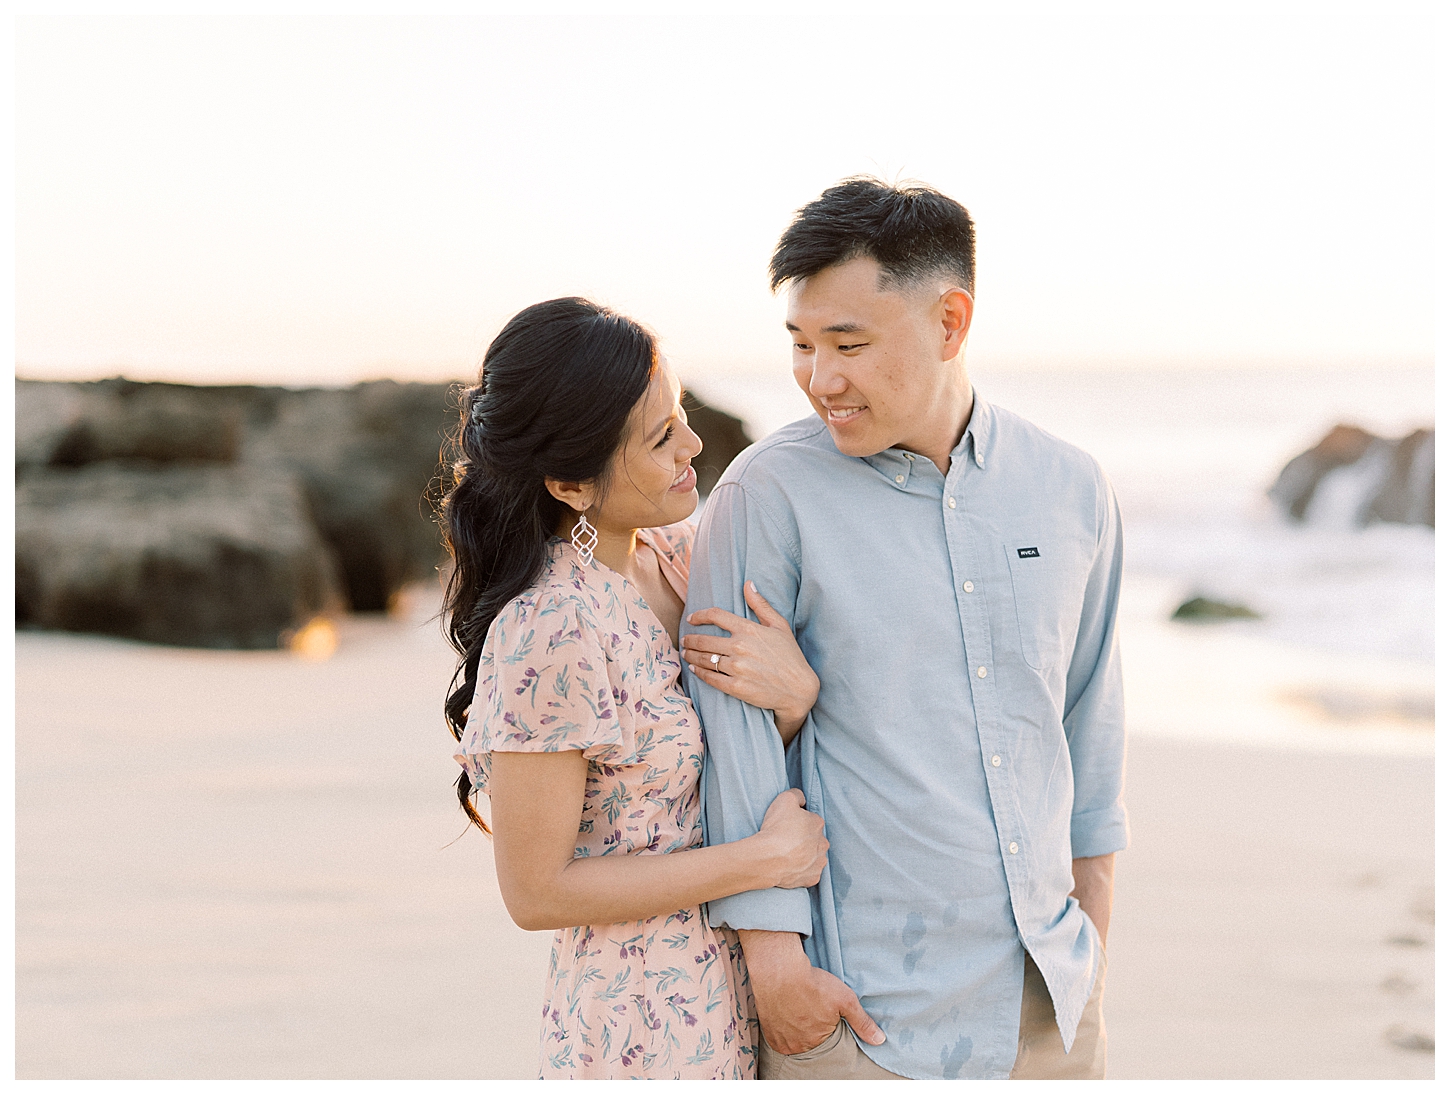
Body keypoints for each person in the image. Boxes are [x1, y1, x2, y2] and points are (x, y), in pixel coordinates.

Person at [678, 178, 1127, 1080]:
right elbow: (735, 736)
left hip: (1048, 996)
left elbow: (1088, 727)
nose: (820, 379)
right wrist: (776, 966)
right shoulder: (766, 496)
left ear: (950, 323)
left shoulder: (1072, 488)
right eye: (802, 345)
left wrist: (1092, 942)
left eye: (849, 343)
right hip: (860, 1009)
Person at [441, 297, 835, 1080]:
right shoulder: (550, 630)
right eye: (660, 438)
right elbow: (536, 891)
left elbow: (707, 761)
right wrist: (756, 862)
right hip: (637, 1023)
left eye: (681, 411)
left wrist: (792, 700)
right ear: (570, 482)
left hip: (731, 993)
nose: (693, 443)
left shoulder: (674, 555)